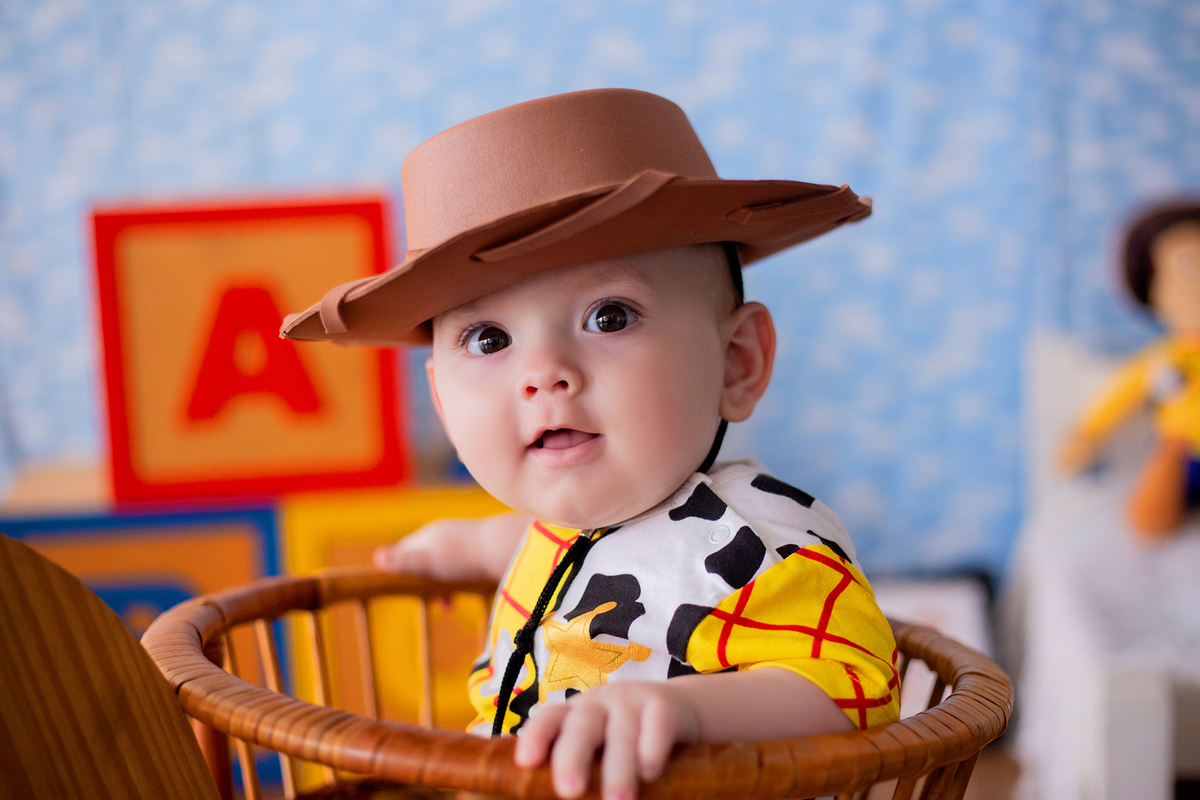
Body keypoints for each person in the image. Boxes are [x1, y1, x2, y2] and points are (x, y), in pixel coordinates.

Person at [282, 88, 900, 800]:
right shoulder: (568, 525)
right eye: (489, 339)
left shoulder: (757, 545)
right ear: (444, 404)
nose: (544, 373)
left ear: (736, 363)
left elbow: (855, 685)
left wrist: (687, 711)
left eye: (609, 317)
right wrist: (464, 545)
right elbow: (557, 547)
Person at [1059, 202, 1200, 537]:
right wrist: (1087, 433)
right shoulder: (1160, 360)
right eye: (1188, 269)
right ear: (1153, 291)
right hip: (1183, 448)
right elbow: (1119, 395)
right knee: (1155, 498)